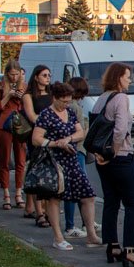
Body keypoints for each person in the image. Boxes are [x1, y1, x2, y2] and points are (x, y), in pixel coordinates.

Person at [31, 81, 100, 251]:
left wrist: (68, 139)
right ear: (55, 98)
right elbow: (36, 138)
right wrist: (56, 143)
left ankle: (91, 233)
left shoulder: (69, 111)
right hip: (54, 163)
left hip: (72, 160)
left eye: (68, 101)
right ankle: (58, 236)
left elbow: (80, 132)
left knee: (87, 195)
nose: (66, 104)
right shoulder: (46, 115)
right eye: (63, 101)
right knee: (54, 199)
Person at [92, 63, 134, 267]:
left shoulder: (102, 98)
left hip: (101, 159)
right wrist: (112, 152)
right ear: (118, 78)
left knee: (111, 201)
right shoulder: (121, 98)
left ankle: (112, 245)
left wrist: (101, 153)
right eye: (127, 77)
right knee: (133, 204)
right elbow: (121, 129)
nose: (129, 80)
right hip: (120, 156)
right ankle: (129, 249)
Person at [61, 77, 95, 239]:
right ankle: (72, 225)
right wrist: (87, 130)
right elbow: (80, 133)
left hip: (73, 150)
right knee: (80, 189)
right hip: (78, 150)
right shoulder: (75, 108)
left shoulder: (69, 107)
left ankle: (84, 222)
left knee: (76, 188)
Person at [0, 61, 27, 210]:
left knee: (21, 160)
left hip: (21, 125)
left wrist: (21, 96)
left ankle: (18, 193)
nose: (14, 77)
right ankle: (6, 193)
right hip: (4, 125)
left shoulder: (25, 87)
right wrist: (8, 95)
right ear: (7, 74)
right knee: (5, 160)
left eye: (16, 74)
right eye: (11, 74)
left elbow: (28, 107)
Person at [22, 65, 53, 222]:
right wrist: (46, 125)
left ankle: (48, 209)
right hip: (36, 136)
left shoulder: (51, 94)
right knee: (36, 171)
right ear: (36, 77)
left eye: (49, 75)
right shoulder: (29, 95)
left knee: (49, 172)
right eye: (44, 75)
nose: (47, 78)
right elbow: (32, 116)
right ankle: (38, 211)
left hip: (51, 137)